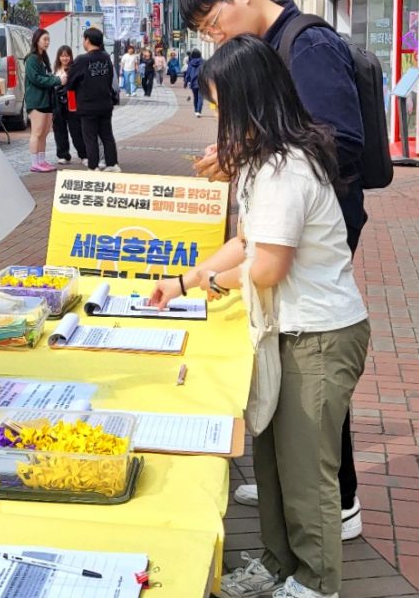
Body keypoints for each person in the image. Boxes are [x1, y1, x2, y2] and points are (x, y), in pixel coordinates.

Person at [150, 35, 369, 598]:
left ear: (252, 103)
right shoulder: (261, 162)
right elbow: (246, 241)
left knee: (306, 472)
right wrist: (183, 281)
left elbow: (266, 266)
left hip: (318, 335)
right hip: (287, 332)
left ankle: (316, 582)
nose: (218, 119)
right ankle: (277, 562)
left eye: (222, 105)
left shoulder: (283, 170)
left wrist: (214, 285)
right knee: (272, 462)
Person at [179, 0, 368, 540]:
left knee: (313, 375)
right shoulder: (273, 46)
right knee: (289, 367)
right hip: (287, 227)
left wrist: (265, 151)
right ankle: (295, 476)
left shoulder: (305, 46)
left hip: (310, 231)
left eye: (213, 22)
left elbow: (344, 141)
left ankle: (334, 501)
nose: (215, 35)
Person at [65, 28, 120, 172]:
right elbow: (109, 80)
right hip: (105, 104)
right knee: (107, 135)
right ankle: (112, 164)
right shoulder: (106, 58)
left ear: (87, 40)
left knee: (90, 137)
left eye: (84, 39)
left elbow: (70, 82)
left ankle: (93, 166)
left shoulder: (82, 60)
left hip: (87, 106)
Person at [23, 28, 59, 173]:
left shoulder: (43, 57)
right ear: (36, 40)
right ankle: (35, 163)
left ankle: (42, 160)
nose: (47, 42)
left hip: (46, 100)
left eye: (48, 39)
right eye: (44, 39)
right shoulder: (31, 58)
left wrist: (54, 79)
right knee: (37, 133)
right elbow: (36, 79)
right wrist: (56, 80)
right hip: (36, 100)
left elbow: (47, 76)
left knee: (44, 133)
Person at [51, 45, 87, 165]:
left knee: (76, 129)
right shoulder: (55, 69)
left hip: (71, 100)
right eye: (62, 56)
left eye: (67, 55)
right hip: (57, 103)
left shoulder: (74, 69)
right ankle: (63, 155)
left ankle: (83, 155)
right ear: (58, 57)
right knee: (59, 130)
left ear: (70, 56)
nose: (64, 58)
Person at [184, 49, 203, 116]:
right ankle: (199, 111)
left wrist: (185, 82)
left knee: (195, 97)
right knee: (200, 97)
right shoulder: (204, 62)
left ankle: (196, 110)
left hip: (193, 82)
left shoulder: (190, 63)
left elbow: (188, 73)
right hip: (202, 82)